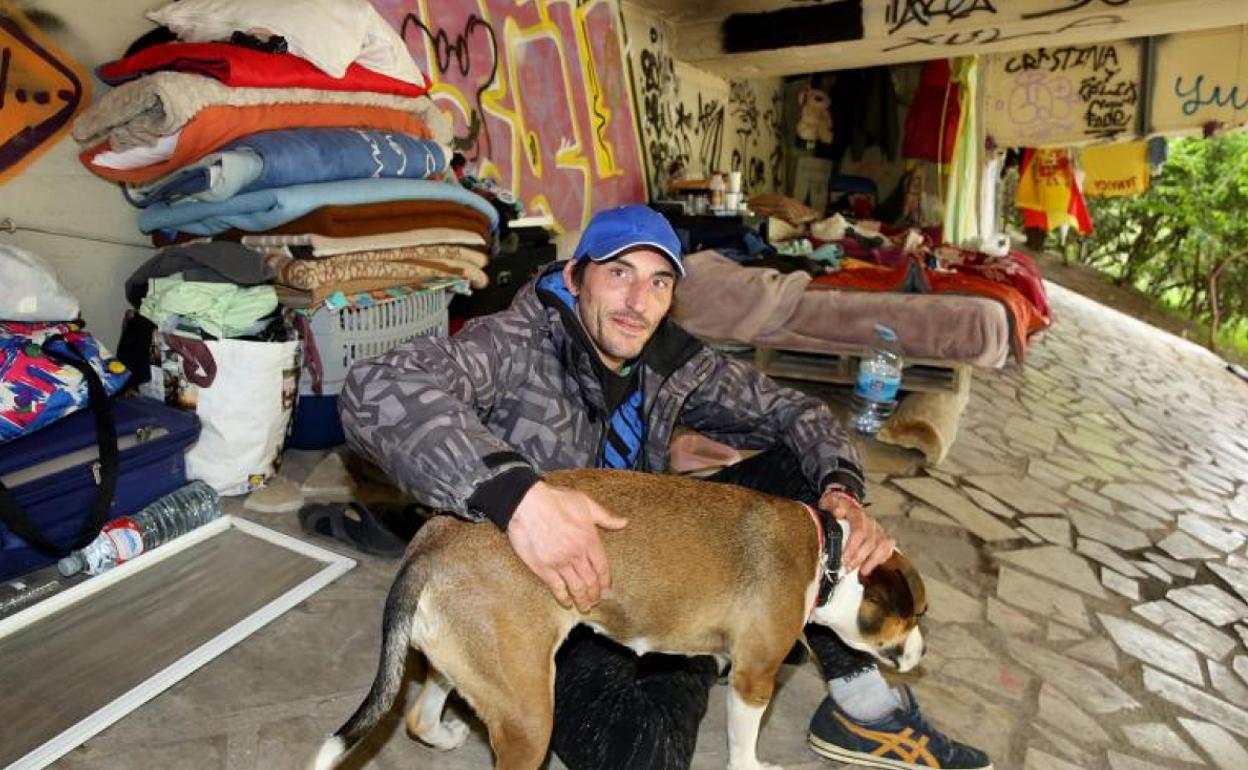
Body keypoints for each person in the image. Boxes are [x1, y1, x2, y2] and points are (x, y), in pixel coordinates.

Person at [340, 204, 991, 770]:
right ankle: (718, 645)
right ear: (575, 276)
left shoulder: (673, 358)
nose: (638, 301)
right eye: (618, 273)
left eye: (658, 282)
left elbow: (802, 413)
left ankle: (855, 698)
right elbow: (378, 389)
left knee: (810, 481)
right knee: (647, 755)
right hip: (556, 587)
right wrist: (517, 496)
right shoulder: (511, 341)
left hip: (654, 549)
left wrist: (845, 493)